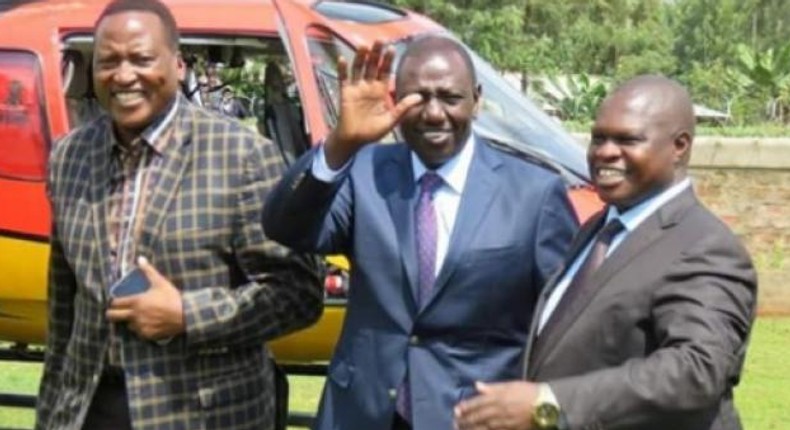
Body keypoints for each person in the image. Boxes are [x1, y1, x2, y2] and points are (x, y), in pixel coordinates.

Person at [262, 36, 579, 429]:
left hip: (474, 418)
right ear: (396, 99)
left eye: (450, 97)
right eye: (418, 97)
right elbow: (285, 227)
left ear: (476, 100)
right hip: (362, 413)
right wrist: (340, 144)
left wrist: (545, 410)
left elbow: (567, 324)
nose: (433, 113)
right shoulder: (365, 172)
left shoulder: (535, 194)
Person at [35, 1, 324, 429]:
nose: (124, 75)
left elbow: (298, 293)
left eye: (141, 58)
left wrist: (187, 314)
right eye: (108, 61)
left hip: (201, 411)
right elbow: (65, 305)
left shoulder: (241, 157)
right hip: (92, 407)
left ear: (178, 65)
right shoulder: (70, 156)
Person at [454, 75, 758, 430]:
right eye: (599, 138)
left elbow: (697, 369)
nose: (605, 152)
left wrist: (548, 404)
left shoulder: (706, 247)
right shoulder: (600, 228)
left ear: (680, 146)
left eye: (627, 139)